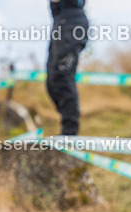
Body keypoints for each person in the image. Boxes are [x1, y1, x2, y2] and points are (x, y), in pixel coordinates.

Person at [46, 0, 89, 135]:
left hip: (72, 22)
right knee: (52, 81)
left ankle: (70, 131)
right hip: (60, 22)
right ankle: (67, 122)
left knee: (62, 75)